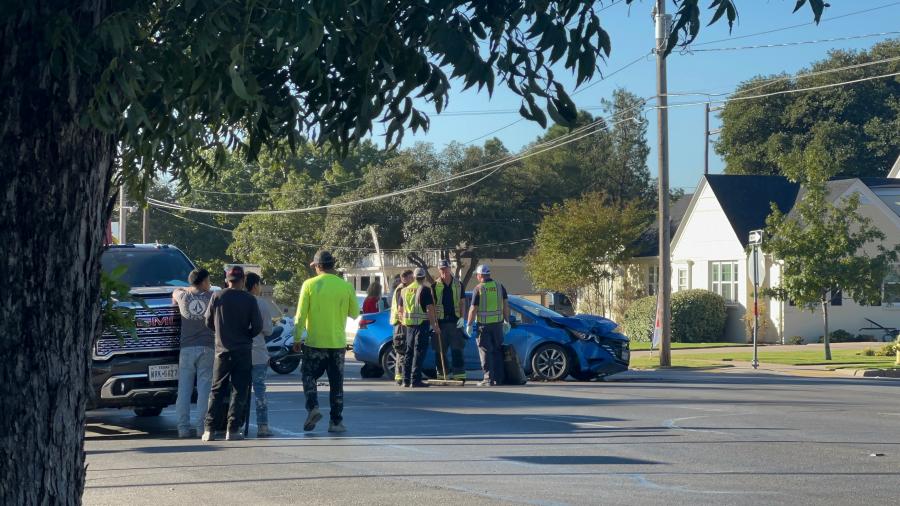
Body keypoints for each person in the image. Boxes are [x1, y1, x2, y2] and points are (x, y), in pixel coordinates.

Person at [292, 250, 359, 433]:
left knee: (308, 376)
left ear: (318, 266)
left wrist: (297, 338)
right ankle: (336, 422)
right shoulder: (345, 286)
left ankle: (313, 407)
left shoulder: (309, 285)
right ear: (332, 265)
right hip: (337, 344)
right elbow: (354, 313)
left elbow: (300, 315)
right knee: (336, 384)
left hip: (315, 343)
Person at [202, 266, 263, 441]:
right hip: (243, 350)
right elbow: (257, 326)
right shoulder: (249, 299)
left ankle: (209, 429)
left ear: (227, 280)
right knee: (239, 390)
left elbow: (208, 321)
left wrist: (220, 333)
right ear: (243, 280)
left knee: (217, 390)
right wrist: (246, 336)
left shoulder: (217, 296)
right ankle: (233, 429)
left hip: (222, 350)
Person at [172, 269, 215, 438]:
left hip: (187, 348)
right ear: (203, 281)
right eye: (208, 280)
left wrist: (186, 290)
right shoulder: (211, 297)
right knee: (204, 390)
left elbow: (175, 291)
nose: (210, 283)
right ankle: (201, 428)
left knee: (184, 390)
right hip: (207, 347)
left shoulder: (183, 296)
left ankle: (182, 428)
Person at [466, 264, 510, 387]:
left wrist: (469, 324)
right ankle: (498, 378)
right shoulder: (500, 287)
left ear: (480, 275)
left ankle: (487, 379)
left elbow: (473, 308)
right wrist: (507, 321)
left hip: (484, 326)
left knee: (485, 351)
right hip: (497, 325)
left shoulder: (479, 288)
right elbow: (506, 305)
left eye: (477, 275)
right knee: (497, 350)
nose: (476, 277)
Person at [399, 268, 440, 388]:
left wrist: (404, 321)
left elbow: (400, 309)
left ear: (414, 277)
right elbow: (429, 309)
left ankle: (405, 380)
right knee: (419, 352)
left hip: (409, 325)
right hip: (421, 325)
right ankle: (415, 380)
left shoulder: (404, 290)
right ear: (424, 277)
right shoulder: (425, 289)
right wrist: (434, 326)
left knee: (408, 352)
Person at [246, 272, 274, 438]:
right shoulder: (261, 304)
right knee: (260, 391)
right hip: (258, 354)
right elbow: (268, 330)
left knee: (240, 391)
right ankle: (263, 426)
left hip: (240, 354)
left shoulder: (238, 302)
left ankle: (236, 425)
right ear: (255, 285)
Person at [433, 260, 467, 381]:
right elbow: (431, 306)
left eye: (445, 268)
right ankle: (443, 374)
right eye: (441, 269)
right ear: (439, 270)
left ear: (449, 269)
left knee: (457, 349)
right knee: (439, 351)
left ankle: (459, 375)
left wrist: (462, 318)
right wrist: (434, 323)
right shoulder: (434, 285)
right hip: (440, 323)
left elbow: (462, 302)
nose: (443, 271)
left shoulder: (458, 284)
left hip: (455, 322)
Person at [390, 270, 414, 385]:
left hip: (402, 323)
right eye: (411, 278)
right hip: (401, 324)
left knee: (404, 349)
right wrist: (404, 321)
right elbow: (401, 308)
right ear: (404, 278)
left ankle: (401, 375)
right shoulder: (402, 290)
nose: (412, 280)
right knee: (401, 349)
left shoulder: (404, 288)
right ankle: (400, 376)